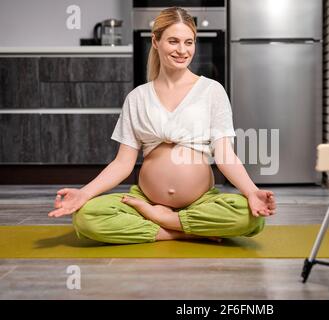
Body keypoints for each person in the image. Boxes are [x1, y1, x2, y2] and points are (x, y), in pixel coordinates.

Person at [48, 7, 276, 244]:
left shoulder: (212, 91)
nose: (182, 50)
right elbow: (122, 163)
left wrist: (251, 192)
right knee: (87, 217)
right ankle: (181, 230)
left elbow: (225, 154)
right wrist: (84, 193)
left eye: (189, 42)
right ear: (156, 41)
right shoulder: (137, 97)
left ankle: (162, 222)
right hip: (145, 201)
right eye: (173, 41)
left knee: (249, 217)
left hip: (201, 202)